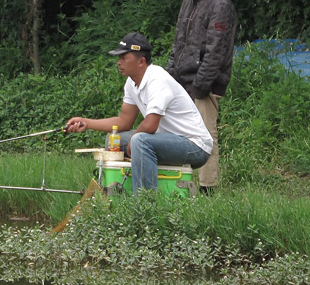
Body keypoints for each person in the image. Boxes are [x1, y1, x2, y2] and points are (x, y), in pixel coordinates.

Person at [65, 32, 213, 193]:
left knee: (140, 141)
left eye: (123, 57)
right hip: (169, 139)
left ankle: (143, 204)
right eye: (118, 58)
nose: (118, 62)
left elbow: (150, 125)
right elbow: (124, 121)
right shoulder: (132, 82)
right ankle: (120, 193)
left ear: (141, 61)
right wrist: (86, 123)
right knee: (114, 140)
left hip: (195, 145)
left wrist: (135, 140)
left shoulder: (157, 80)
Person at [165, 0, 237, 194]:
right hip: (182, 80)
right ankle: (177, 184)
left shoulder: (221, 4)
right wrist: (168, 76)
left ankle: (208, 189)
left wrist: (200, 87)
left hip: (204, 85)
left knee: (206, 136)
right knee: (175, 133)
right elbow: (179, 42)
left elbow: (216, 51)